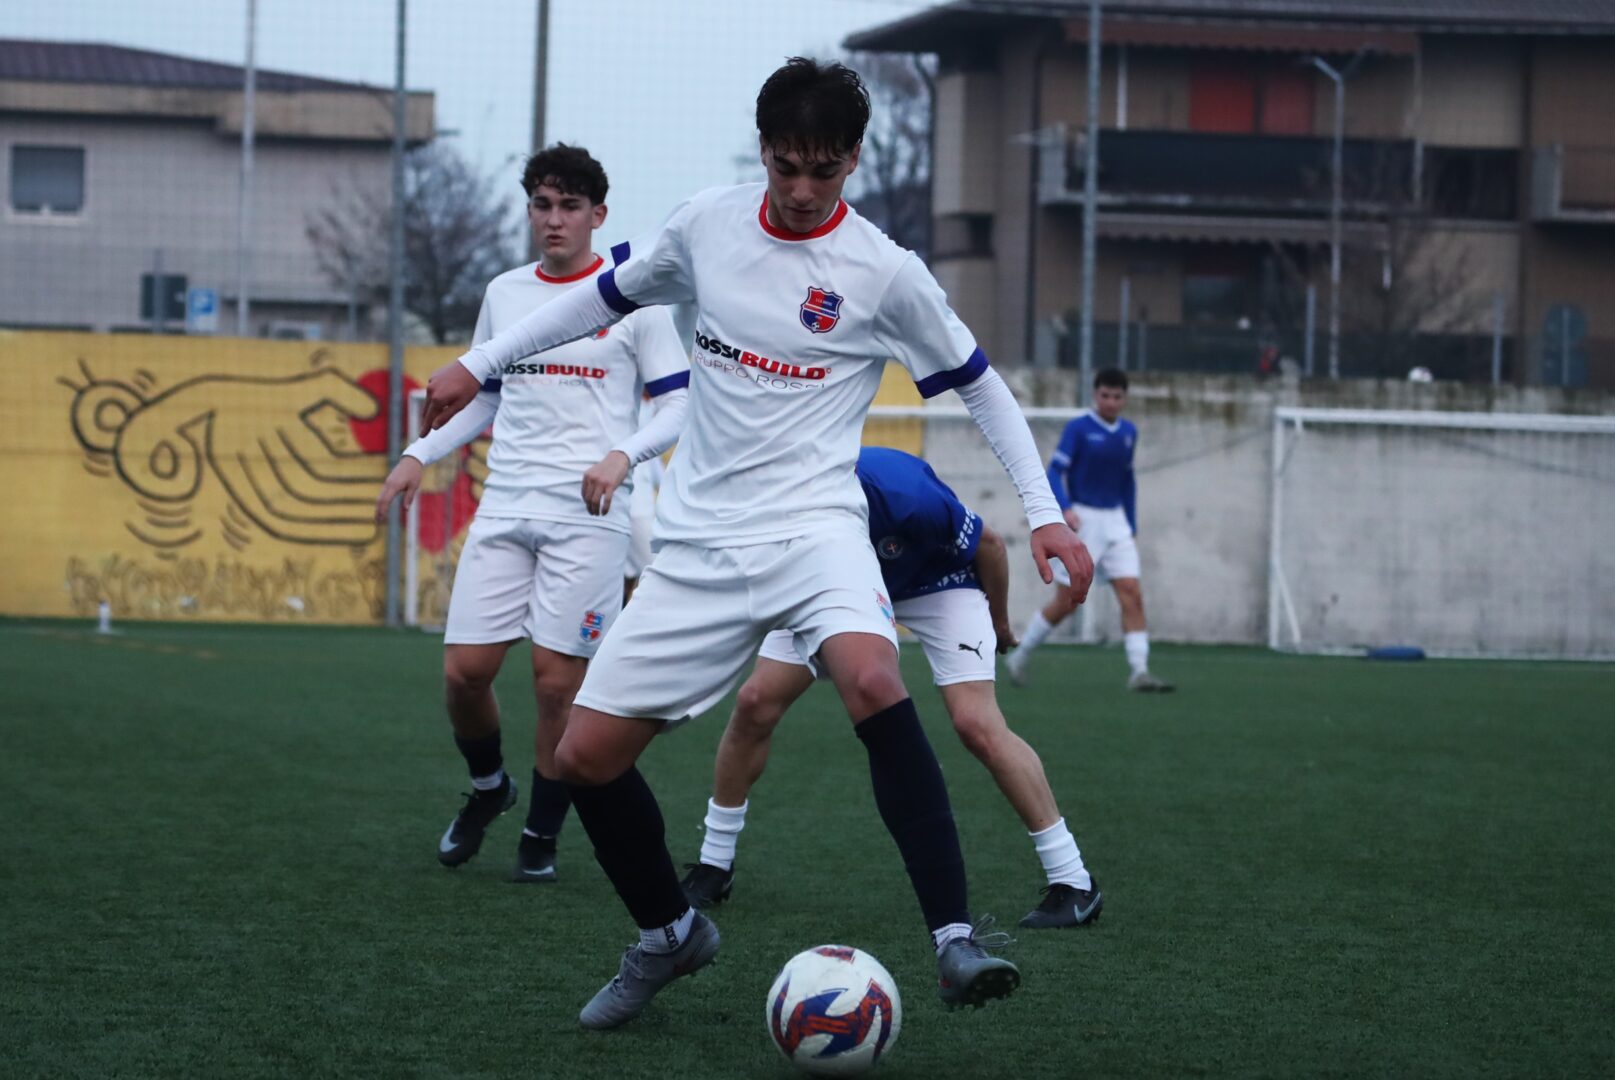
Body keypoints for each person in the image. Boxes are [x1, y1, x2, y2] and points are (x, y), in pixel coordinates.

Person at [419, 58, 1094, 1030]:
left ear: (853, 159)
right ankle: (668, 935)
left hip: (815, 529)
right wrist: (478, 361)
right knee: (584, 757)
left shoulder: (884, 272)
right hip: (697, 544)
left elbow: (980, 386)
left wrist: (1043, 511)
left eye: (825, 169)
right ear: (764, 150)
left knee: (873, 678)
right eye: (786, 166)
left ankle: (953, 941)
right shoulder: (707, 225)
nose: (804, 189)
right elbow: (603, 297)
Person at [374, 144, 689, 883]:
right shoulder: (505, 292)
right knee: (465, 674)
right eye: (542, 206)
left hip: (590, 514)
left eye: (570, 206)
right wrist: (419, 453)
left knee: (556, 683)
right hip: (506, 502)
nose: (554, 220)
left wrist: (622, 456)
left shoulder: (634, 301)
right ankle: (490, 788)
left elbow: (678, 404)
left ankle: (540, 835)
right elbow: (483, 395)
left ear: (597, 215)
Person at [679, 446, 1102, 930]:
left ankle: (1074, 880)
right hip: (838, 587)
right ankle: (715, 863)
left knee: (976, 724)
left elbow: (990, 546)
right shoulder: (782, 499)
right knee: (755, 702)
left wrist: (1000, 622)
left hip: (937, 585)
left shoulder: (907, 495)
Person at [1005, 367, 1173, 692]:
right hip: (1084, 520)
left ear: (1124, 399)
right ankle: (1020, 654)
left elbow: (1127, 480)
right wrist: (1065, 508)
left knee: (1132, 593)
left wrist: (1131, 523)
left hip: (1116, 522)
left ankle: (1139, 671)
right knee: (1067, 602)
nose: (1110, 402)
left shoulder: (1128, 432)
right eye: (1105, 395)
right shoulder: (1079, 429)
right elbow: (1055, 472)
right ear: (1096, 396)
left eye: (1117, 396)